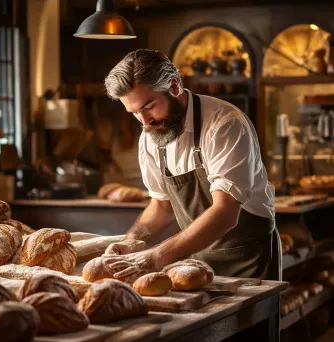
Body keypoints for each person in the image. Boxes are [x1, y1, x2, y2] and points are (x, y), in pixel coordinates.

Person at [102, 49, 281, 283]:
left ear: (174, 86)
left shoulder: (225, 124)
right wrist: (131, 241)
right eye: (134, 113)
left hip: (247, 260)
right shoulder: (152, 136)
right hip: (194, 263)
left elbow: (225, 212)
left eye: (148, 106)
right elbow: (161, 206)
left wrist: (155, 258)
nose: (144, 122)